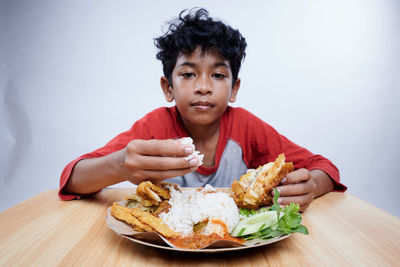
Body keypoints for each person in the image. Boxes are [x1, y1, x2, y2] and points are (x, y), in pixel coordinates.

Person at [59, 8, 346, 211]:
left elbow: (325, 167)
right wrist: (119, 165)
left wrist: (311, 186)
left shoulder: (246, 128)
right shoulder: (154, 127)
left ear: (234, 89)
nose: (203, 87)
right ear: (167, 87)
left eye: (218, 75)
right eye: (188, 74)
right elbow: (72, 180)